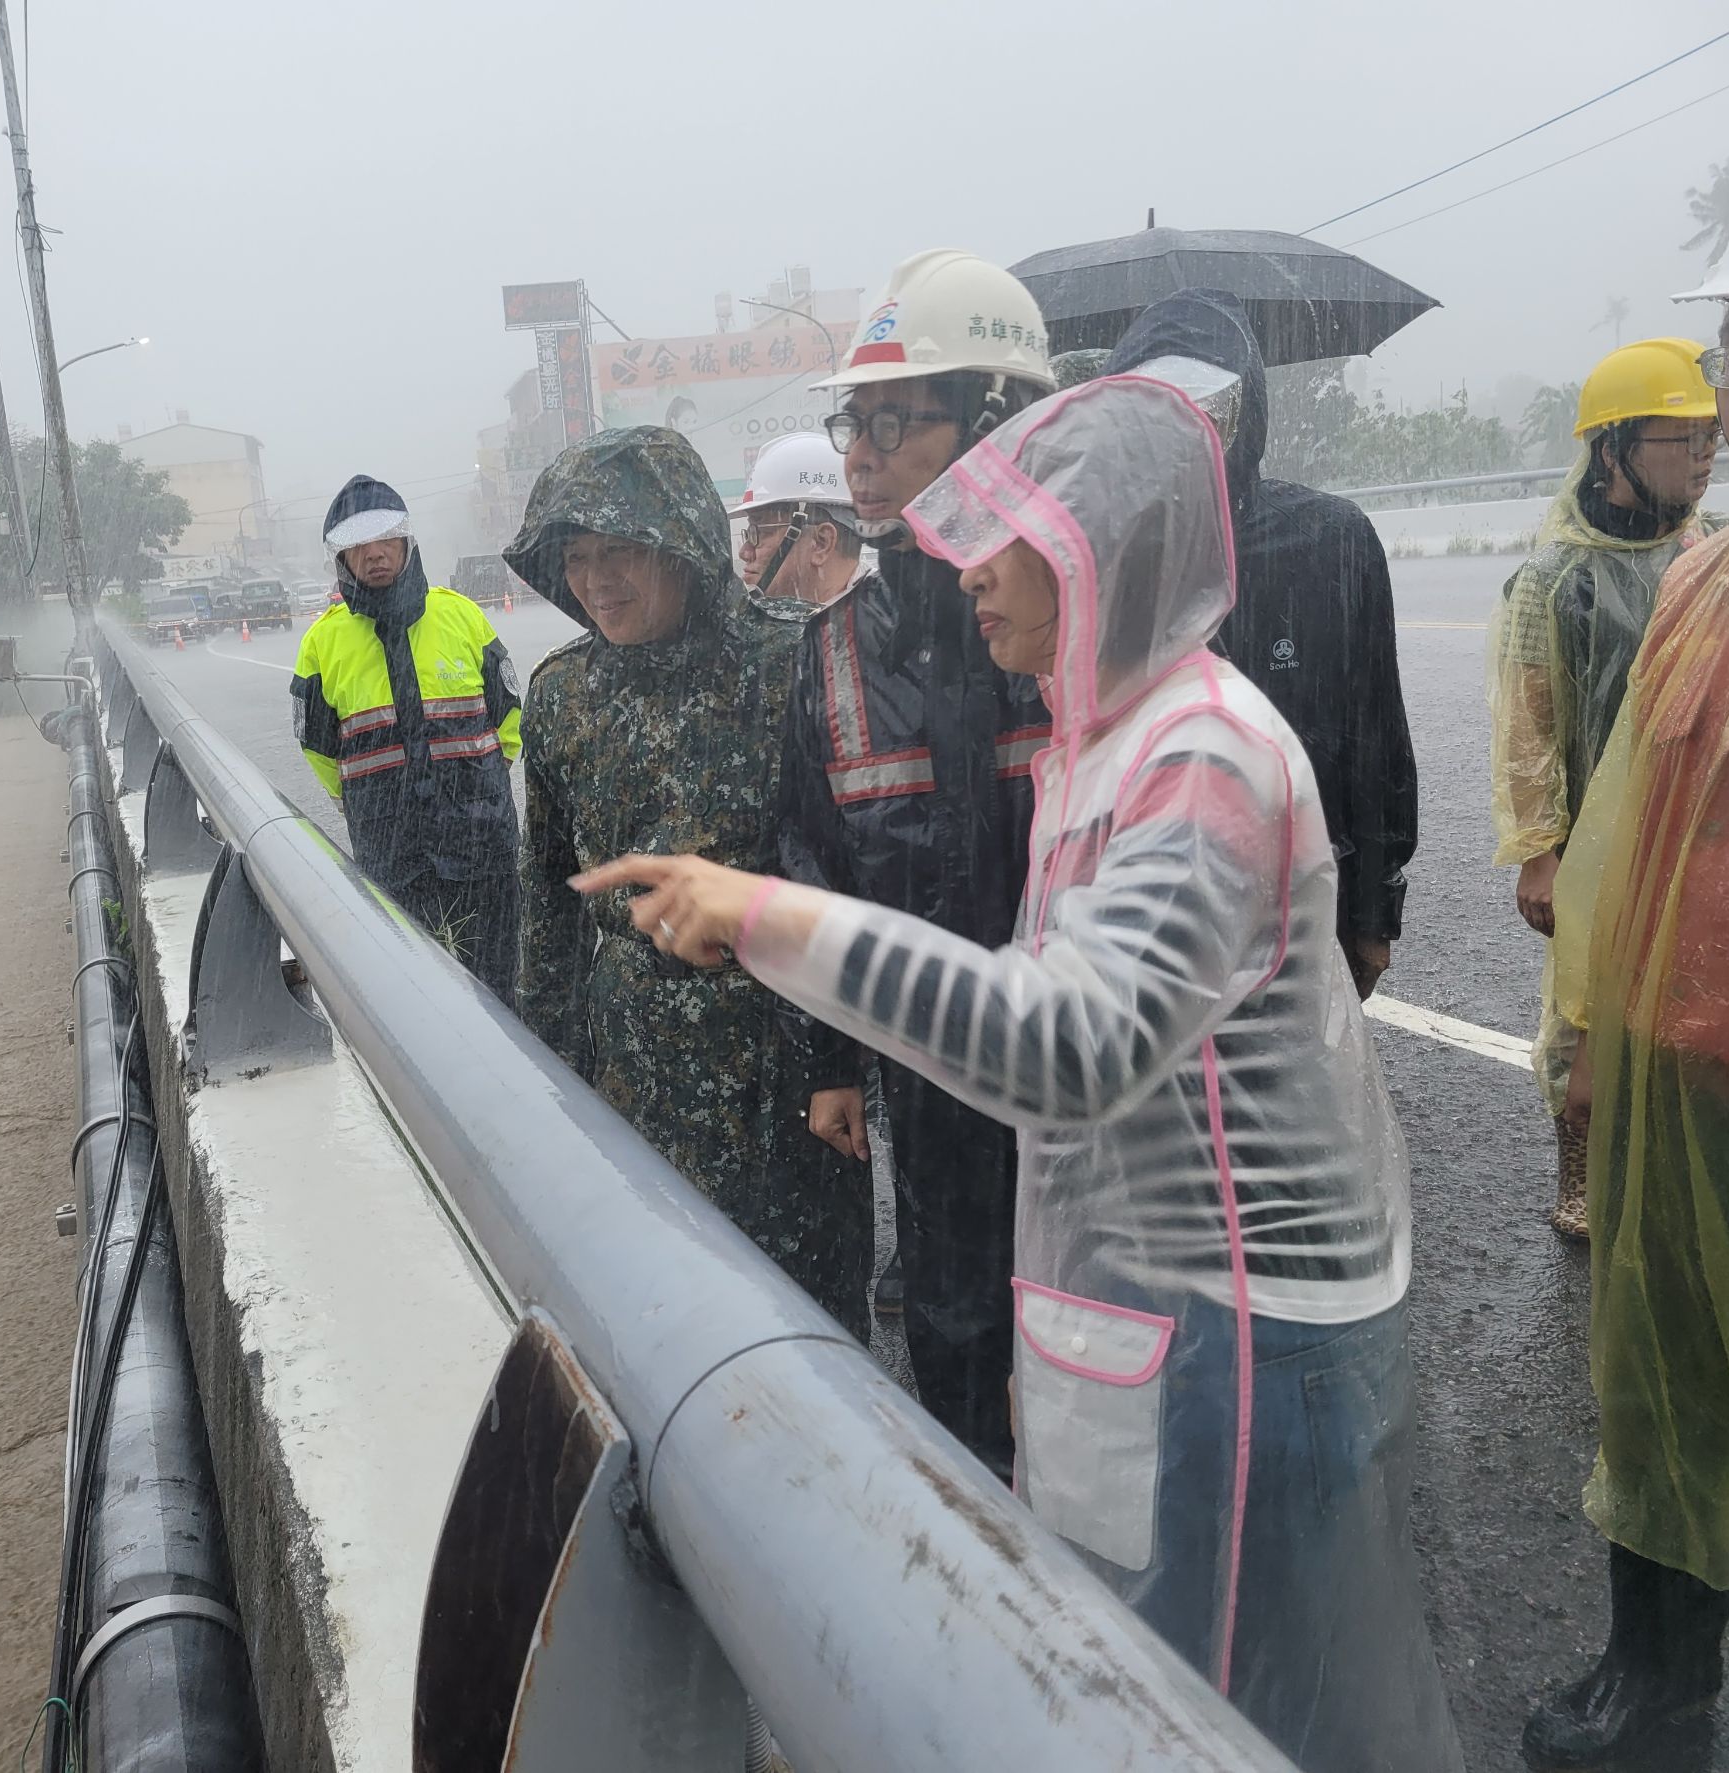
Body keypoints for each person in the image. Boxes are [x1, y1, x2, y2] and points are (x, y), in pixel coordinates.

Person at [577, 375, 1463, 1773]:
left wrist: (770, 918)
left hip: (1240, 1330)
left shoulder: (1201, 755)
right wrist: (1051, 1335)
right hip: (1140, 1324)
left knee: (1220, 1721)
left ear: (1096, 551)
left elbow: (1070, 1047)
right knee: (1142, 1682)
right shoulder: (1091, 744)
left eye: (1006, 543)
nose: (968, 575)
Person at [1523, 185, 1729, 1770]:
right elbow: (1623, 833)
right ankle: (1655, 1678)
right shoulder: (1705, 581)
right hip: (1689, 1078)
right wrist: (1590, 1039)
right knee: (1670, 1384)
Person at [774, 248, 1056, 1473]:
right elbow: (810, 863)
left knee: (1093, 1343)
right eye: (854, 422)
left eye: (895, 420)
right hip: (934, 1075)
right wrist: (833, 1060)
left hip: (1086, 1071)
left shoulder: (1080, 624)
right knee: (949, 1324)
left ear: (996, 421)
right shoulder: (835, 651)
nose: (859, 454)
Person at [509, 426, 870, 1333]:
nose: (597, 581)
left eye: (621, 550)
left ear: (681, 543)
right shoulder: (561, 697)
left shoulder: (793, 664)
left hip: (781, 1082)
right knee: (664, 1325)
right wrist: (546, 1079)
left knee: (811, 1337)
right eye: (578, 558)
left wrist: (846, 1065)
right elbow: (552, 897)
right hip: (632, 1082)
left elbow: (848, 873)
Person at [1103, 290, 1417, 1000]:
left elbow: (1375, 740)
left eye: (1212, 406)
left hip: (1304, 906)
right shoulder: (1105, 556)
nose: (1191, 430)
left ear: (1250, 412)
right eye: (1161, 408)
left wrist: (1375, 912)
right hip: (1149, 921)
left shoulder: (1330, 539)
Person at [1486, 340, 1719, 1240]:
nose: (1705, 458)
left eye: (1710, 437)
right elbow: (1527, 726)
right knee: (1583, 1015)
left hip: (1694, 831)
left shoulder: (1709, 557)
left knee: (1687, 1011)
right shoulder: (1554, 580)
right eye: (1682, 437)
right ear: (1614, 447)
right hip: (1594, 844)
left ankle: (1669, 1162)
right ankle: (1578, 1162)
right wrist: (1540, 853)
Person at [291, 475, 522, 1000]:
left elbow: (508, 712)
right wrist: (359, 799)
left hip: (481, 841)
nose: (375, 555)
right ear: (342, 557)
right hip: (390, 851)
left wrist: (485, 780)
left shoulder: (460, 615)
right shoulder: (322, 643)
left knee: (498, 985)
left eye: (385, 540)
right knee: (413, 992)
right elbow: (318, 746)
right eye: (359, 546)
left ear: (406, 542)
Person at [727, 432, 863, 605]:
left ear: (821, 543)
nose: (744, 552)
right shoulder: (873, 620)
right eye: (748, 534)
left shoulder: (890, 626)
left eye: (759, 533)